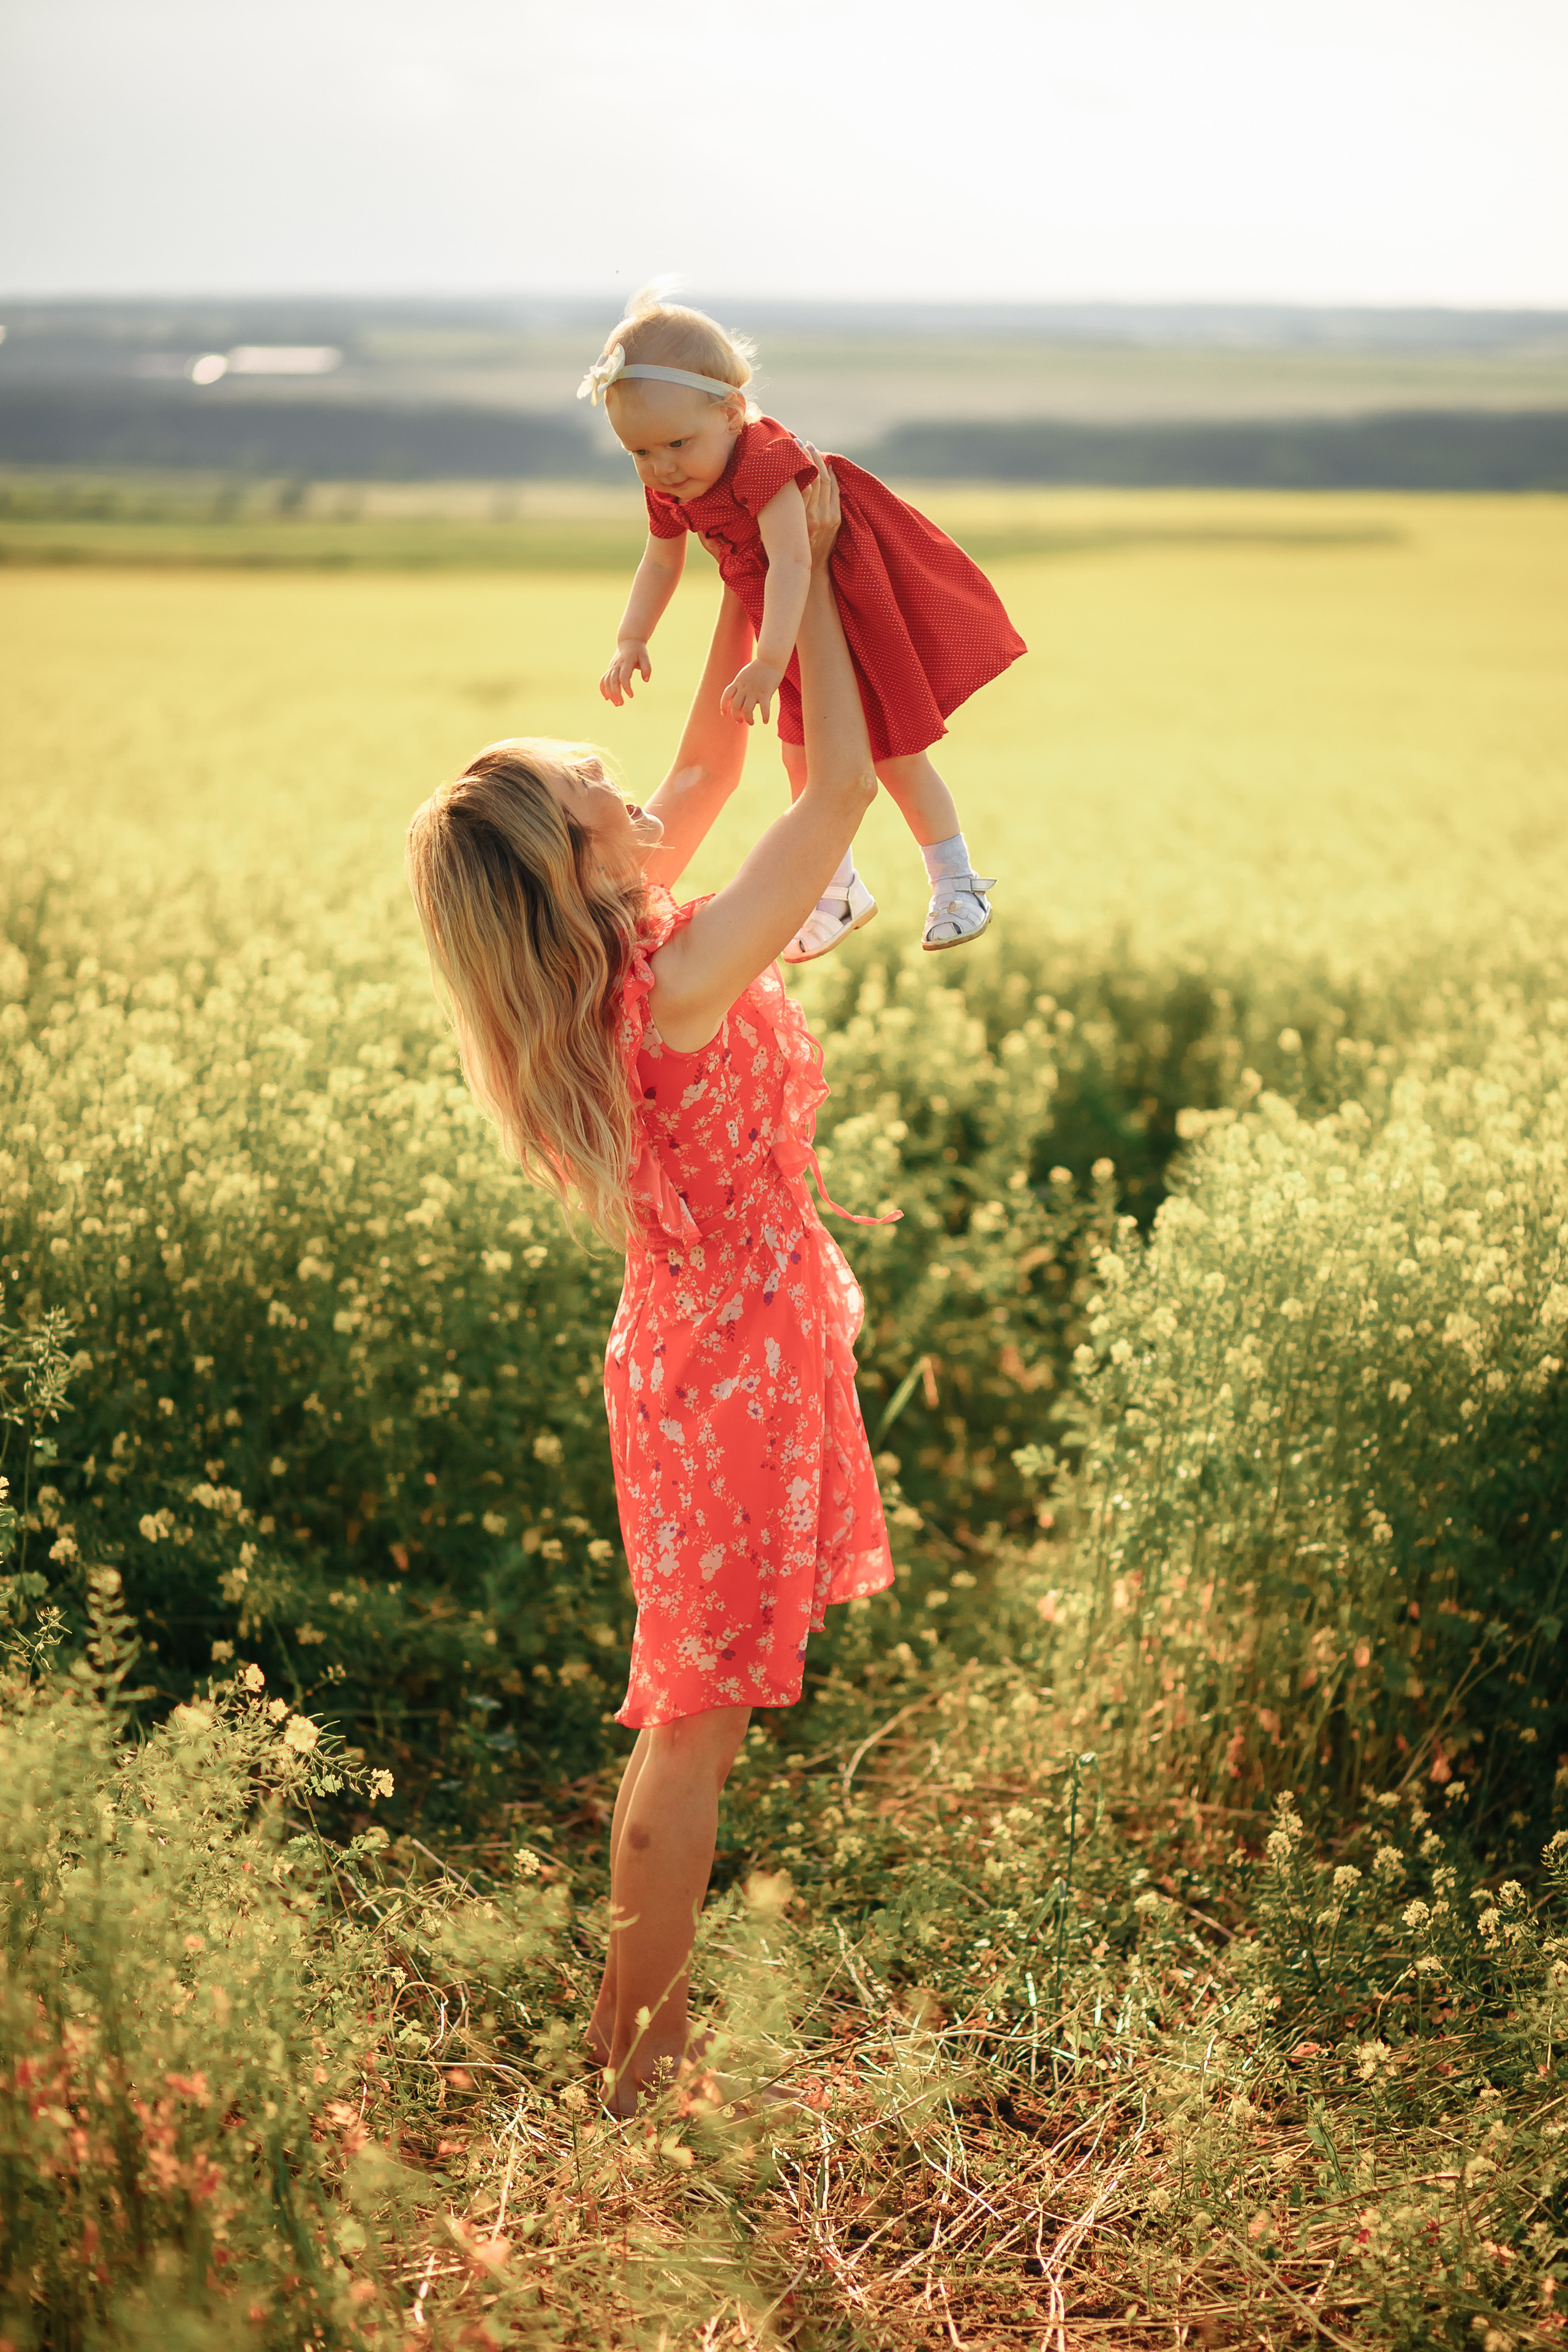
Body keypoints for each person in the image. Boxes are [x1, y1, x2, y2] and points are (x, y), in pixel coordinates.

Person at [405, 456, 896, 2114]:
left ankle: (624, 2040)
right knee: (693, 1719)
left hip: (720, 1345)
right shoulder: (673, 977)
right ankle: (640, 2062)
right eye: (594, 778)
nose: (634, 783)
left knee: (696, 1707)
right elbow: (827, 808)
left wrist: (753, 583)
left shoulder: (626, 928)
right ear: (577, 849)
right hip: (728, 1367)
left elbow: (709, 752)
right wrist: (822, 586)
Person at [579, 284, 1027, 962]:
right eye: (640, 454)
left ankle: (957, 881)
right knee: (798, 753)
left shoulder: (764, 463)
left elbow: (795, 561)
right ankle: (837, 889)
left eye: (676, 444)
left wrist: (764, 662)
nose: (661, 468)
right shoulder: (678, 478)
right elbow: (660, 561)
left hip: (845, 607)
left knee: (894, 751)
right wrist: (631, 638)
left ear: (732, 412)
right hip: (788, 622)